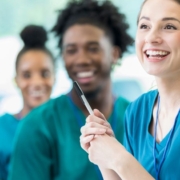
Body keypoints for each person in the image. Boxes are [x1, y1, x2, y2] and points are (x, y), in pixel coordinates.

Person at [8, 0, 133, 180]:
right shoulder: (37, 126)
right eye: (71, 50)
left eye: (92, 48)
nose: (81, 59)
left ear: (114, 54)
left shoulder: (140, 119)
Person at [80, 0, 180, 179]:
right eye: (144, 25)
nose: (151, 37)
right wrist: (105, 156)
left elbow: (123, 163)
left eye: (169, 26)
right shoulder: (137, 112)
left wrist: (118, 157)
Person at [0, 25, 55, 180]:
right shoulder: (2, 130)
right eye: (26, 75)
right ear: (16, 80)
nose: (36, 82)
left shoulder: (69, 126)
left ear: (55, 77)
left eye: (45, 73)